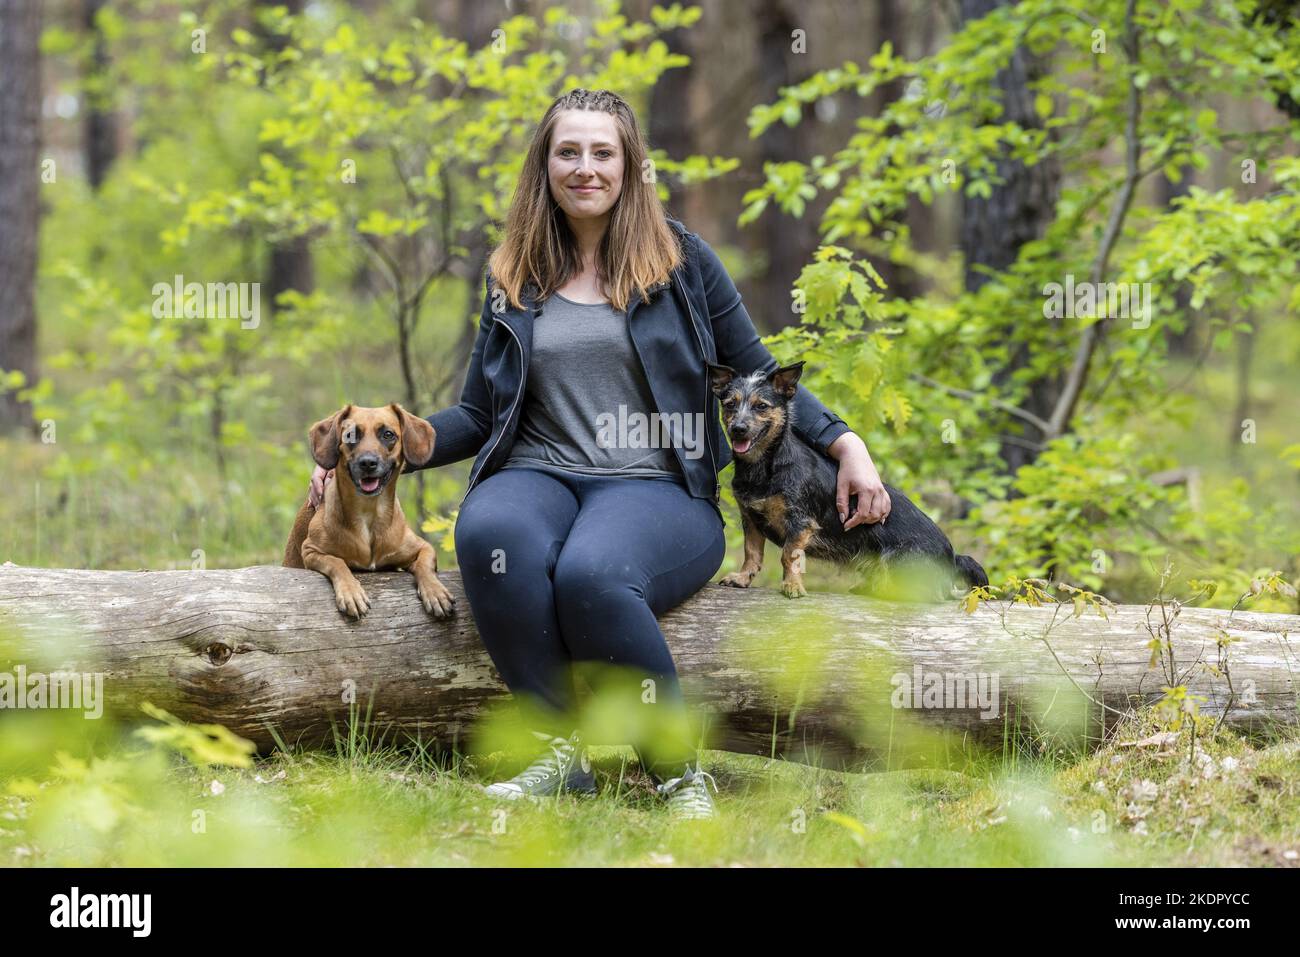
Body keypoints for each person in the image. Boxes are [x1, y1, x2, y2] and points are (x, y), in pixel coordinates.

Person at [308, 88, 892, 821]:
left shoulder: (682, 262)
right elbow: (476, 414)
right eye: (568, 151)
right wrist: (360, 453)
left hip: (658, 484)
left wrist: (847, 444)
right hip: (538, 474)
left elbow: (758, 368)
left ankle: (679, 775)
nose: (585, 168)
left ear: (630, 165)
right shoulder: (513, 274)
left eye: (602, 152)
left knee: (593, 572)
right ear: (544, 165)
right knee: (491, 537)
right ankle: (560, 755)